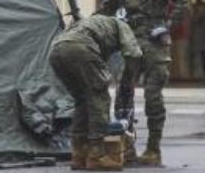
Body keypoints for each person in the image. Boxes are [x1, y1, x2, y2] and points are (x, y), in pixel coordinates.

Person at [96, 0, 190, 167]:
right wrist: (91, 23)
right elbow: (108, 8)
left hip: (155, 41)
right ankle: (123, 148)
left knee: (153, 95)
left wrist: (168, 25)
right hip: (130, 40)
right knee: (124, 94)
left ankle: (153, 149)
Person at [50, 14, 143, 171]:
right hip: (79, 48)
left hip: (56, 50)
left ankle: (79, 153)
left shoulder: (93, 23)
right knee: (99, 97)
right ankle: (97, 154)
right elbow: (133, 53)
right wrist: (128, 81)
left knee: (82, 100)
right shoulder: (122, 26)